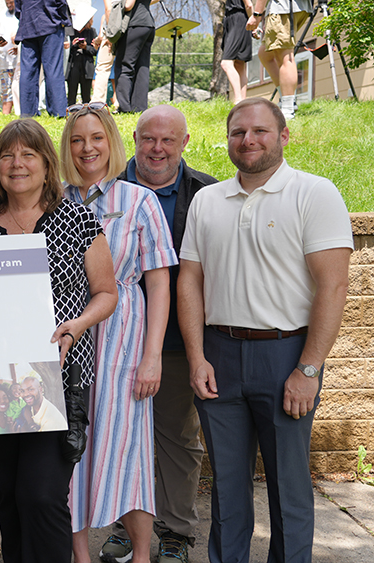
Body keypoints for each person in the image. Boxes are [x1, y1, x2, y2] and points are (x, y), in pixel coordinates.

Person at [178, 98, 352, 563]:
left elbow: (333, 286)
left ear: (283, 136)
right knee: (226, 485)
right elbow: (189, 281)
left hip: (286, 356)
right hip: (218, 354)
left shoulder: (314, 193)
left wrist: (308, 370)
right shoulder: (207, 200)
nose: (248, 140)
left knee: (288, 487)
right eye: (238, 132)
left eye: (260, 131)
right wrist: (197, 357)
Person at [0, 118, 118, 563]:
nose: (17, 163)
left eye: (28, 154)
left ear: (47, 165)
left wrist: (78, 324)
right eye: (8, 155)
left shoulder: (78, 219)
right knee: (10, 496)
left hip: (58, 381)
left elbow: (107, 293)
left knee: (42, 495)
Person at [98, 105, 218, 563]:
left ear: (184, 142)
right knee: (118, 437)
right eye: (149, 138)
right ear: (134, 138)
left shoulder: (204, 193)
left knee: (177, 439)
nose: (157, 149)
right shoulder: (106, 186)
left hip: (174, 343)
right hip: (111, 340)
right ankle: (125, 527)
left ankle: (176, 531)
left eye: (169, 140)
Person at [61, 102, 176, 563]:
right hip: (68, 336)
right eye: (76, 139)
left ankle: (141, 555)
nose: (87, 148)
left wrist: (153, 356)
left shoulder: (139, 201)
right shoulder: (55, 198)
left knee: (128, 451)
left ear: (111, 142)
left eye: (96, 138)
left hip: (124, 339)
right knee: (68, 449)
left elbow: (160, 283)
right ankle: (80, 555)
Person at [247, 0, 311, 119]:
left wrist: (257, 15)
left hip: (283, 7)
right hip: (297, 7)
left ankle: (288, 109)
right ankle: (287, 99)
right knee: (265, 54)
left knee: (284, 56)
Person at [15, 0, 72, 117]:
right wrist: (62, 19)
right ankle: (58, 111)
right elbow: (61, 3)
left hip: (28, 26)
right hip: (50, 24)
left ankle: (27, 112)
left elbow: (18, 8)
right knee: (53, 70)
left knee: (27, 72)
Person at [113, 0, 159, 113]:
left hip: (134, 23)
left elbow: (128, 5)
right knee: (142, 68)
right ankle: (139, 108)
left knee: (124, 66)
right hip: (148, 25)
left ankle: (124, 108)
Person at [221, 0, 253, 104]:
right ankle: (243, 103)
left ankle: (238, 100)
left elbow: (249, 5)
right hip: (233, 20)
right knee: (239, 64)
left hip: (238, 20)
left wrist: (253, 25)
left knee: (226, 63)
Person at [0, 0, 20, 114]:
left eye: (11, 2)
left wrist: (18, 45)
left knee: (19, 90)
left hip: (19, 62)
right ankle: (6, 116)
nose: (9, 5)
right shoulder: (1, 16)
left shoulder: (22, 16)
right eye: (7, 2)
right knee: (6, 92)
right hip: (4, 62)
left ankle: (20, 114)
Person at [66, 16, 98, 105]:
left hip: (87, 65)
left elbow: (95, 51)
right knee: (71, 93)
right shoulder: (70, 31)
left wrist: (86, 47)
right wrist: (73, 45)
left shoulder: (92, 31)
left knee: (86, 95)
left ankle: (86, 110)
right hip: (73, 65)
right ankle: (71, 109)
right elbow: (65, 51)